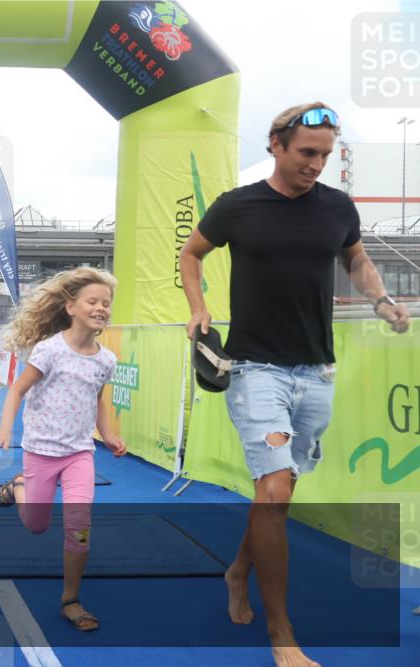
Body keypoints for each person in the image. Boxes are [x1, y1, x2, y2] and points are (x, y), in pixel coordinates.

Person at [180, 102, 411, 667]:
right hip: (256, 369)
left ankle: (238, 571)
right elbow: (191, 253)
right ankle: (282, 635)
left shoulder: (338, 207)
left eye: (326, 155)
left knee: (275, 493)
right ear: (276, 146)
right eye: (308, 152)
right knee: (277, 491)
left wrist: (379, 299)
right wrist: (198, 306)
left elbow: (356, 260)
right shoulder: (238, 206)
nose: (317, 165)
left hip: (318, 371)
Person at [0, 268, 126, 633]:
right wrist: (3, 431)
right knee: (36, 525)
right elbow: (17, 390)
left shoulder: (106, 360)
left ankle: (71, 599)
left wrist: (108, 435)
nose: (101, 308)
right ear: (70, 307)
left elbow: (97, 400)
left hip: (80, 454)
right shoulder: (50, 350)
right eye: (92, 301)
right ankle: (19, 488)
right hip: (41, 452)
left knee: (80, 525)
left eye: (106, 303)